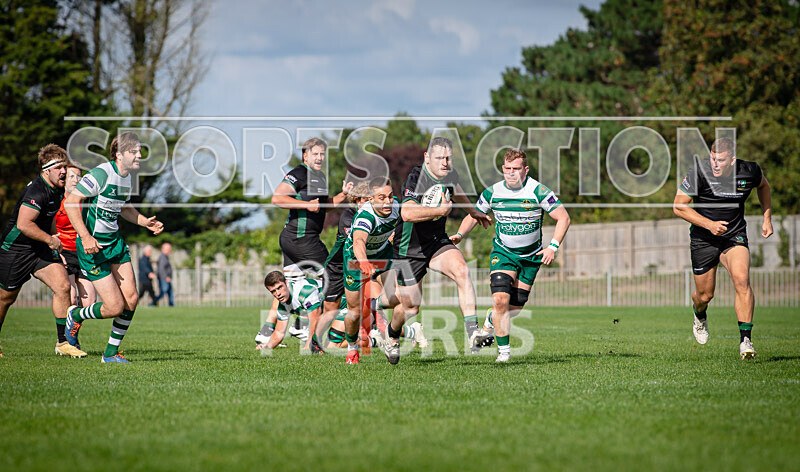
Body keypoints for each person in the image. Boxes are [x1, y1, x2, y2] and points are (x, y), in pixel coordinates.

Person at [453, 149, 570, 362]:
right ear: (502, 169)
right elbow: (474, 214)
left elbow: (563, 218)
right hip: (503, 253)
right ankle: (504, 354)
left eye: (516, 168)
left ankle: (490, 320)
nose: (511, 173)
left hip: (531, 256)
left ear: (526, 169)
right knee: (500, 301)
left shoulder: (539, 191)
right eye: (507, 168)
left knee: (514, 307)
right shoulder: (492, 192)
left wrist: (552, 247)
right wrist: (460, 235)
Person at [63, 131, 164, 363]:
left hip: (115, 244)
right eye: (134, 151)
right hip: (93, 248)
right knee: (114, 307)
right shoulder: (101, 173)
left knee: (132, 299)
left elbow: (124, 208)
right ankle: (76, 314)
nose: (139, 155)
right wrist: (85, 237)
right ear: (119, 154)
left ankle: (110, 353)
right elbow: (71, 202)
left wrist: (145, 222)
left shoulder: (127, 178)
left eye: (139, 151)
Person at [673, 137, 772, 359]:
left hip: (733, 235)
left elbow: (764, 186)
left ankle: (745, 340)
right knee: (705, 295)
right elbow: (678, 206)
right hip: (703, 239)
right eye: (713, 159)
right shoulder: (699, 172)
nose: (715, 164)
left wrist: (767, 218)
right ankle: (699, 315)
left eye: (721, 160)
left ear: (732, 160)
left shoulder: (749, 171)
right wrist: (709, 225)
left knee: (742, 280)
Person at [391, 137, 491, 354]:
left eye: (448, 158)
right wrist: (440, 211)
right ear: (427, 158)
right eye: (439, 158)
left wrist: (474, 212)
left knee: (462, 270)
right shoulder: (416, 178)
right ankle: (392, 334)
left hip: (436, 242)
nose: (445, 163)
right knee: (410, 307)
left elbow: (457, 191)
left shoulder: (450, 175)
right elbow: (406, 213)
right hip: (409, 248)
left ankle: (473, 333)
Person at [0, 144, 86, 358]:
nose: (63, 171)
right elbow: (24, 224)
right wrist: (50, 239)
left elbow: (49, 218)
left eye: (64, 167)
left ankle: (62, 343)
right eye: (58, 168)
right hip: (16, 250)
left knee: (63, 286)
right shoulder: (37, 191)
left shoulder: (57, 189)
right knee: (6, 298)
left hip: (39, 248)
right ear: (46, 170)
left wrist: (55, 239)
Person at [271, 137, 353, 280]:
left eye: (322, 154)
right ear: (305, 156)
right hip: (301, 238)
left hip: (299, 239)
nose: (319, 158)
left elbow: (324, 206)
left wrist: (344, 194)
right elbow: (277, 198)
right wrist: (307, 205)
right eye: (315, 154)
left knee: (295, 288)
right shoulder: (299, 173)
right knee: (333, 277)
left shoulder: (321, 177)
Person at [342, 177, 402, 364]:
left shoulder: (397, 206)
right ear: (370, 199)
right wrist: (364, 262)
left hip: (382, 254)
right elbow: (359, 241)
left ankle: (388, 332)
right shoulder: (365, 216)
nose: (388, 202)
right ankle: (352, 348)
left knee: (397, 298)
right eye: (381, 198)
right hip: (355, 260)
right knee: (354, 313)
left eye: (390, 196)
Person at [55, 164, 96, 312]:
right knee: (71, 299)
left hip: (83, 252)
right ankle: (66, 327)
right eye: (71, 176)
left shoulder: (87, 201)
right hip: (64, 251)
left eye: (79, 176)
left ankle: (73, 322)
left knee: (89, 303)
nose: (76, 180)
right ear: (64, 179)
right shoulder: (56, 200)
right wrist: (57, 252)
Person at [254, 271, 324, 353]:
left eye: (279, 287)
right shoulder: (282, 304)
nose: (278, 293)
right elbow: (279, 332)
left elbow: (315, 319)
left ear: (286, 283)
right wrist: (267, 347)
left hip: (337, 300)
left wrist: (309, 345)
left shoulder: (304, 291)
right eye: (273, 291)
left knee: (331, 345)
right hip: (328, 311)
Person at [155, 242, 174, 306]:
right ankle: (153, 302)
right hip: (164, 278)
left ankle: (171, 304)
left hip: (166, 278)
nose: (170, 250)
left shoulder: (165, 257)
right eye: (168, 249)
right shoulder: (163, 257)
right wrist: (166, 277)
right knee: (163, 292)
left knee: (170, 292)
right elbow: (161, 269)